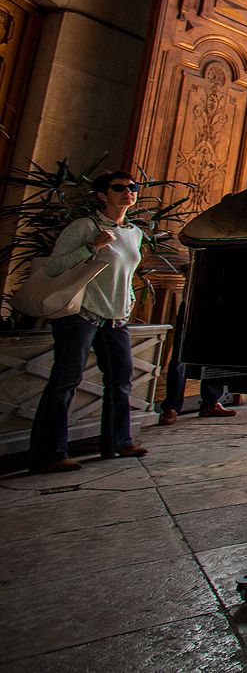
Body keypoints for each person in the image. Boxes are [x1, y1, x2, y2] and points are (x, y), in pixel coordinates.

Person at [28, 172, 148, 471]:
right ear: (102, 195)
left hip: (116, 316)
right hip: (81, 315)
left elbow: (127, 272)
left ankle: (117, 442)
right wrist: (91, 246)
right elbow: (54, 267)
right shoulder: (84, 227)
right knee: (65, 382)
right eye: (119, 188)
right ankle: (49, 454)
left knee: (121, 379)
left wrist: (129, 299)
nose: (128, 192)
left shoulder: (134, 232)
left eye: (133, 188)